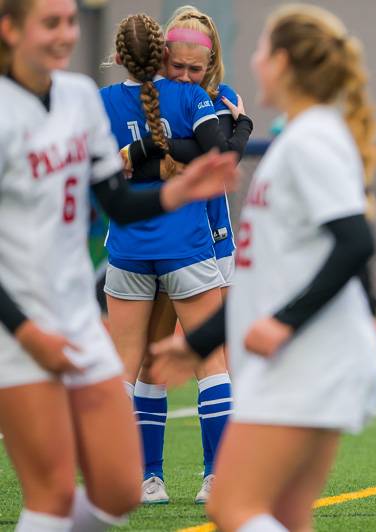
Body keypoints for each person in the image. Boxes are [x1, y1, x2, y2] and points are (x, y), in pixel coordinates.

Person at [0, 0, 238, 529]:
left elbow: (121, 202)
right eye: (50, 22)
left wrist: (177, 195)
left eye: (69, 22)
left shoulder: (83, 98)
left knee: (114, 489)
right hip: (22, 323)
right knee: (50, 492)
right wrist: (22, 329)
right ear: (10, 30)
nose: (65, 34)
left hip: (78, 317)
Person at [151, 4, 376, 531]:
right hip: (310, 360)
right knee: (285, 515)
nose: (252, 61)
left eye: (260, 49)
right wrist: (194, 343)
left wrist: (284, 322)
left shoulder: (312, 139)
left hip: (313, 362)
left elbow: (355, 242)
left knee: (232, 506)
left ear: (281, 62)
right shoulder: (298, 137)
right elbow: (259, 283)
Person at [98, 12, 243, 505]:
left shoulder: (103, 102)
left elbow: (103, 168)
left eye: (194, 68)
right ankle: (211, 478)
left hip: (135, 247)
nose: (185, 74)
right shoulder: (195, 100)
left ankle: (135, 478)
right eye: (177, 65)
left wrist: (137, 151)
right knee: (205, 362)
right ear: (161, 56)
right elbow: (219, 153)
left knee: (132, 366)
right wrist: (239, 127)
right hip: (188, 244)